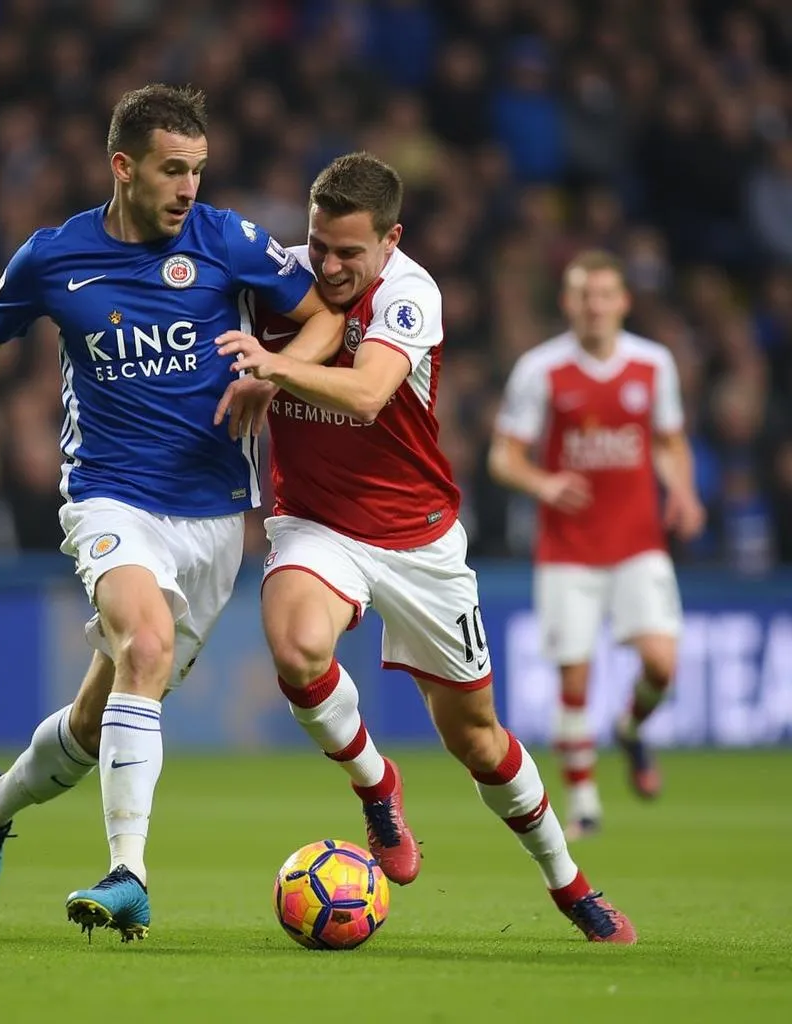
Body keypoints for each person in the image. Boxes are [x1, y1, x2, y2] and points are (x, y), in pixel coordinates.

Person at [0, 84, 343, 942]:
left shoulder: (227, 241)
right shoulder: (53, 257)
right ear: (123, 166)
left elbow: (324, 318)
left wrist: (275, 369)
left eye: (198, 170)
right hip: (109, 495)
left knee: (95, 715)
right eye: (172, 170)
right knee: (143, 644)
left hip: (214, 516)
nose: (189, 187)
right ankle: (129, 875)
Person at [214, 153, 636, 943]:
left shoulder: (410, 291)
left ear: (391, 239)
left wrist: (272, 367)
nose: (331, 267)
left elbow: (371, 392)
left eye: (350, 252)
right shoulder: (285, 278)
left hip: (420, 541)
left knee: (479, 739)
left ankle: (569, 882)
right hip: (317, 523)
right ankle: (377, 788)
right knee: (297, 648)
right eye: (319, 246)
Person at [488, 249, 705, 838]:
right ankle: (584, 804)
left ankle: (631, 729)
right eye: (585, 295)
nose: (595, 306)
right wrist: (545, 482)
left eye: (605, 295)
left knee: (662, 664)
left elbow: (668, 441)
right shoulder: (541, 369)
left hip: (638, 541)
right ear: (569, 303)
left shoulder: (653, 365)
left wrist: (682, 491)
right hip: (568, 549)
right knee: (574, 678)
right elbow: (503, 456)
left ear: (623, 302)